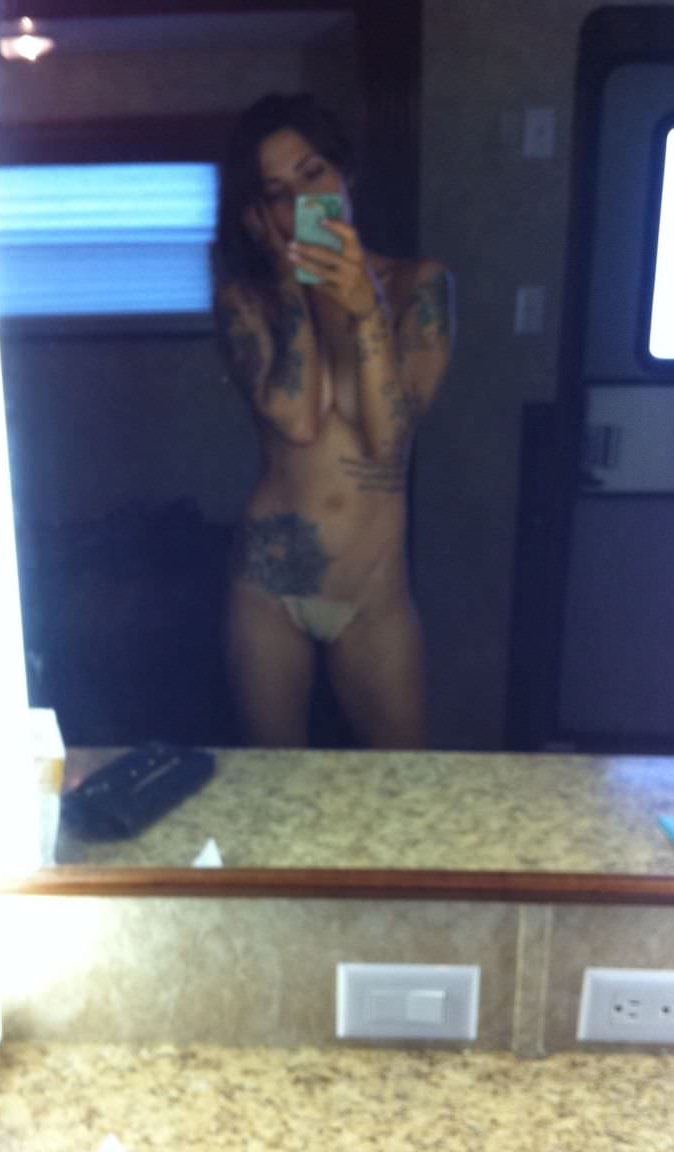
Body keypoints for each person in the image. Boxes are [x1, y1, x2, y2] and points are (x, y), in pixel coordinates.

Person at [213, 93, 453, 749]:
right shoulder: (246, 299)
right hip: (269, 586)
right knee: (276, 788)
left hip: (372, 592)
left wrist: (365, 308)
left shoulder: (417, 287)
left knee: (404, 784)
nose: (301, 202)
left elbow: (388, 440)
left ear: (345, 174)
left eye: (312, 173)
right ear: (258, 215)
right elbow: (297, 420)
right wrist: (294, 284)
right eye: (276, 193)